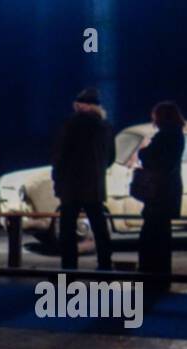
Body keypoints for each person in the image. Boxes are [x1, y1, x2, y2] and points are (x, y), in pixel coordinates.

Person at [52, 87, 116, 270]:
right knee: (99, 227)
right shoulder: (106, 126)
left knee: (67, 230)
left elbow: (60, 155)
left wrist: (58, 179)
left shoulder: (70, 124)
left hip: (71, 185)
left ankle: (69, 267)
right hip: (95, 185)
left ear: (80, 105)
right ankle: (105, 265)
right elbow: (111, 157)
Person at [136, 101, 186, 288]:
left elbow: (149, 156)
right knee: (162, 234)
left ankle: (150, 275)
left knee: (151, 235)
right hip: (168, 190)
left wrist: (143, 151)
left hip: (159, 190)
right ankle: (161, 276)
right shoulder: (176, 134)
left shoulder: (165, 136)